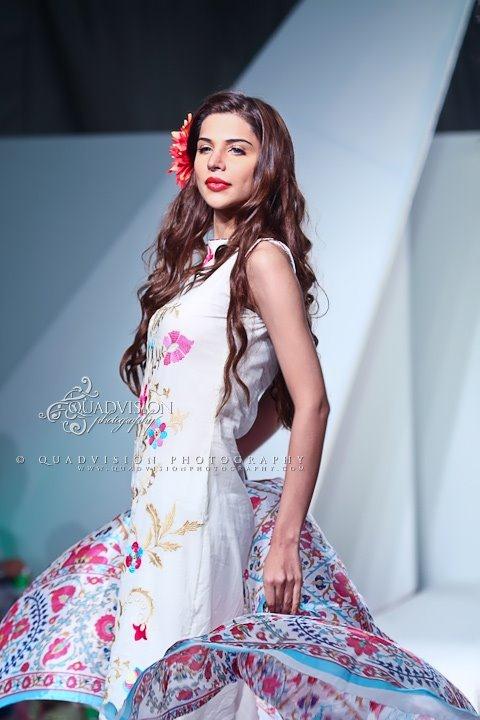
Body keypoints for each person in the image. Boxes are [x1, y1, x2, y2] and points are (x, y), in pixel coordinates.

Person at [0, 90, 478, 720]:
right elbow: (268, 403)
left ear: (267, 165)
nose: (216, 162)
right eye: (205, 148)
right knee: (153, 689)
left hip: (200, 517)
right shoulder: (201, 264)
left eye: (237, 149)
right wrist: (213, 448)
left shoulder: (264, 259)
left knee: (189, 694)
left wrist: (284, 538)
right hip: (162, 510)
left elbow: (310, 402)